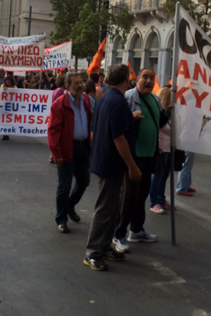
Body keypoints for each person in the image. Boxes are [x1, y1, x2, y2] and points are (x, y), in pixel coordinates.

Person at [84, 64, 141, 271]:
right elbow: (119, 138)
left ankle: (105, 246)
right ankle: (93, 251)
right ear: (126, 79)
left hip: (105, 159)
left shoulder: (105, 99)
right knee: (105, 208)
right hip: (111, 162)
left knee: (112, 207)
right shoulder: (117, 102)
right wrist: (132, 166)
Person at [114, 68, 170, 251]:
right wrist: (131, 117)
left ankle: (136, 230)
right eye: (145, 77)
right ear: (136, 79)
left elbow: (160, 123)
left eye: (151, 78)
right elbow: (117, 124)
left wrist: (171, 111)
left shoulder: (155, 99)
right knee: (128, 196)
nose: (148, 81)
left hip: (149, 155)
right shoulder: (129, 97)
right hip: (133, 156)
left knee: (142, 195)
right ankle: (118, 234)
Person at [48, 72, 93, 233]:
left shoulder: (86, 100)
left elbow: (91, 121)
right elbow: (53, 130)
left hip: (83, 148)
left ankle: (69, 206)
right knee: (64, 186)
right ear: (67, 86)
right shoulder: (60, 104)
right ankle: (61, 218)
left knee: (84, 182)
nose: (81, 85)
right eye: (76, 84)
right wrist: (56, 154)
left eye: (81, 82)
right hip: (67, 148)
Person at [149, 86, 173, 214]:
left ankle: (161, 198)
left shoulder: (169, 114)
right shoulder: (160, 113)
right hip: (161, 149)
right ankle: (154, 202)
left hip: (169, 149)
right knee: (157, 176)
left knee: (164, 176)